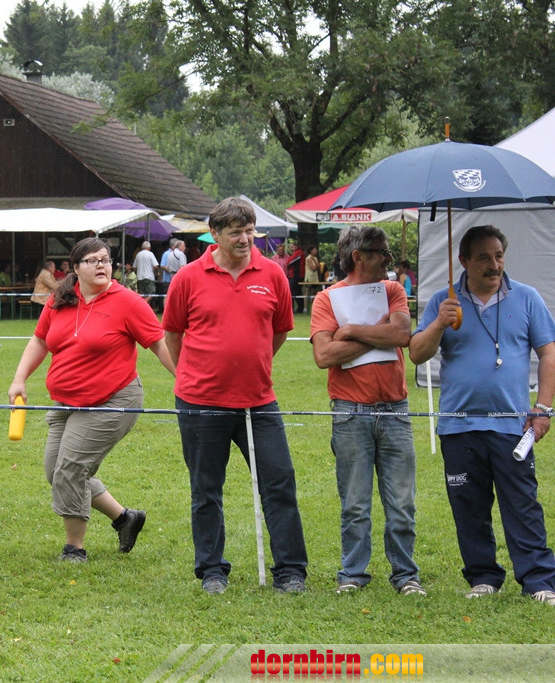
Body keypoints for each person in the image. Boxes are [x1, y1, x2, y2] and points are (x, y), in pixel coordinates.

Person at [163, 196, 308, 595]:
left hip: (259, 400)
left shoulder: (272, 274)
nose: (245, 239)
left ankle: (291, 571)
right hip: (199, 404)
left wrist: (252, 363)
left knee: (279, 482)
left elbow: (280, 330)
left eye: (250, 231)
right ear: (215, 234)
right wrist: (195, 373)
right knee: (206, 488)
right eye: (236, 233)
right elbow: (172, 334)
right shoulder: (188, 277)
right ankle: (212, 570)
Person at [409, 225, 555, 606]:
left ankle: (539, 580)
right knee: (469, 507)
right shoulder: (444, 301)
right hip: (458, 426)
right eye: (484, 258)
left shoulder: (527, 298)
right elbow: (417, 353)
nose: (495, 265)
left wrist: (542, 408)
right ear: (463, 261)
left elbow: (549, 353)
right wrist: (439, 323)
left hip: (512, 425)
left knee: (522, 504)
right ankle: (483, 576)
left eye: (499, 256)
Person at [8, 237, 176, 562]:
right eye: (93, 260)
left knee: (70, 469)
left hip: (113, 400)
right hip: (66, 402)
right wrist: (19, 378)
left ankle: (75, 548)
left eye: (106, 260)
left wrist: (185, 380)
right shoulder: (61, 298)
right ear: (76, 267)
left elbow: (159, 343)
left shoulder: (127, 302)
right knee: (54, 471)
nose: (102, 265)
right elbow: (40, 341)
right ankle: (125, 519)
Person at [309, 226, 424, 596]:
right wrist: (376, 333)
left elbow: (401, 335)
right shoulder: (326, 299)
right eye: (381, 251)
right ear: (358, 257)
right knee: (355, 503)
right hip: (350, 412)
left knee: (402, 503)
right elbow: (324, 355)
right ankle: (353, 574)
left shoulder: (393, 290)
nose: (389, 258)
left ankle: (406, 575)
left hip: (395, 410)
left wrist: (350, 331)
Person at [133, 241, 159, 312]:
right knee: (152, 293)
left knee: (143, 295)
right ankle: (143, 304)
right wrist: (156, 273)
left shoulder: (138, 254)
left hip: (140, 277)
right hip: (149, 277)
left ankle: (145, 310)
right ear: (149, 247)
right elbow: (155, 266)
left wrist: (137, 273)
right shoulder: (150, 254)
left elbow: (134, 267)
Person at [303, 245, 321, 310]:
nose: (316, 251)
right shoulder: (308, 258)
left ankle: (313, 306)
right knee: (307, 292)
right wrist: (317, 265)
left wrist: (315, 261)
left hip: (315, 278)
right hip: (309, 277)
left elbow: (318, 266)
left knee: (314, 292)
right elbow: (313, 268)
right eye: (314, 249)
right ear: (311, 251)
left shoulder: (315, 258)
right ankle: (305, 308)